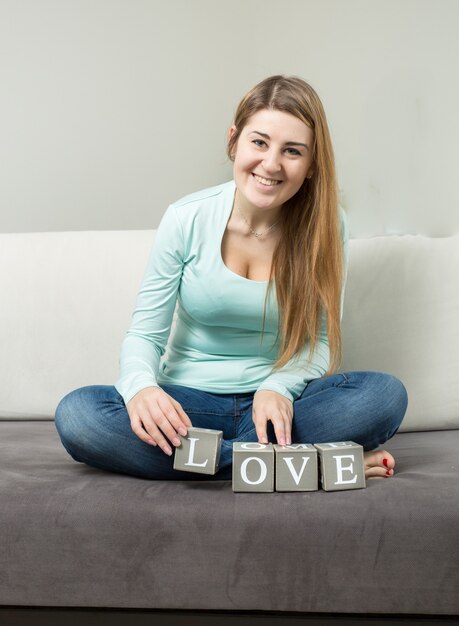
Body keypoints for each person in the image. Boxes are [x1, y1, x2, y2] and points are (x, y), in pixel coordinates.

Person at [55, 75, 408, 482]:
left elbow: (321, 343)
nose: (271, 164)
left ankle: (216, 461)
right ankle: (288, 464)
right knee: (79, 415)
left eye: (292, 151)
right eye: (259, 142)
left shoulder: (327, 227)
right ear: (233, 141)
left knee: (385, 396)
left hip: (280, 408)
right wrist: (141, 390)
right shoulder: (186, 218)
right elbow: (144, 335)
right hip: (186, 407)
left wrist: (277, 387)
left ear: (311, 166)